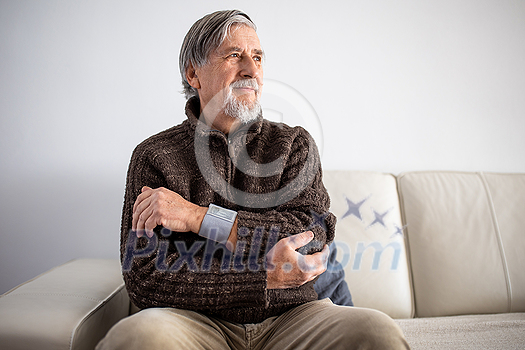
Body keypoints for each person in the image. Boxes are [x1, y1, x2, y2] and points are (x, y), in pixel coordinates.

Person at [97, 10, 410, 349]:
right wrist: (262, 277)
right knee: (135, 337)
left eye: (257, 57)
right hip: (193, 322)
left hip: (293, 318)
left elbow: (308, 240)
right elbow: (145, 277)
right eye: (235, 55)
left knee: (377, 331)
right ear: (193, 73)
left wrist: (197, 217)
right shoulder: (154, 156)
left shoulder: (293, 145)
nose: (251, 69)